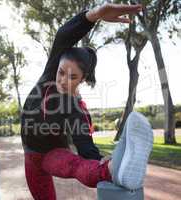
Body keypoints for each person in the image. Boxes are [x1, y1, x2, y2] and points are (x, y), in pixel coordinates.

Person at [20, 3, 153, 200]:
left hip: (52, 154)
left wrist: (100, 160)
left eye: (72, 77)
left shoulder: (75, 109)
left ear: (82, 80)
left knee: (76, 166)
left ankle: (115, 168)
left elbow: (85, 146)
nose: (63, 80)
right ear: (56, 67)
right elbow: (64, 35)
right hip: (30, 157)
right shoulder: (48, 76)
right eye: (62, 72)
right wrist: (95, 14)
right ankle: (114, 166)